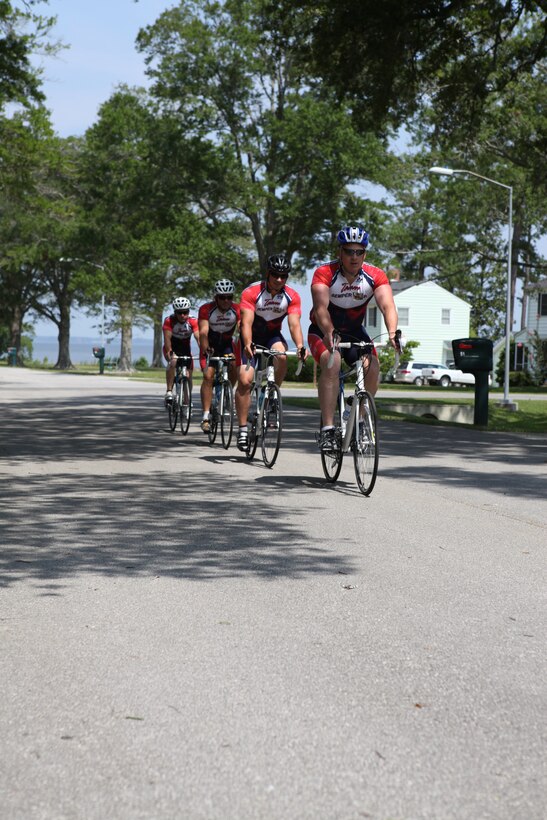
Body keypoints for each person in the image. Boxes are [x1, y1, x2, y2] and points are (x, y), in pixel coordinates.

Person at [308, 225, 399, 451]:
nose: (354, 257)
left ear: (365, 254)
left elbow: (387, 305)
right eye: (349, 251)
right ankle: (328, 430)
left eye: (359, 252)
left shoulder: (375, 275)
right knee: (333, 362)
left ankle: (356, 419)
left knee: (373, 366)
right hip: (323, 329)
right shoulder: (325, 273)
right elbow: (320, 309)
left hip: (354, 330)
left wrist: (392, 332)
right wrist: (329, 332)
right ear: (340, 252)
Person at [236, 253, 307, 451]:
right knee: (244, 379)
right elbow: (247, 322)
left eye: (283, 276)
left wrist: (300, 345)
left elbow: (294, 324)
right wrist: (248, 343)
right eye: (275, 274)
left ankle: (272, 397)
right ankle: (242, 429)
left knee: (281, 356)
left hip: (272, 336)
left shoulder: (292, 296)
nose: (279, 279)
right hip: (250, 337)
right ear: (268, 274)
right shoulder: (252, 292)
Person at [198, 279, 241, 433]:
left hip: (227, 343)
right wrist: (205, 348)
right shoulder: (206, 309)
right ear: (216, 297)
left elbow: (243, 327)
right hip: (210, 345)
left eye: (229, 297)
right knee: (208, 376)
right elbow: (203, 332)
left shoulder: (237, 309)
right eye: (222, 297)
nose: (226, 301)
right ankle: (206, 416)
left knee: (236, 364)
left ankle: (228, 392)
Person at [162, 296, 199, 404]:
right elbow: (167, 339)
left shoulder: (193, 321)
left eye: (185, 312)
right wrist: (170, 353)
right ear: (175, 312)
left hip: (185, 349)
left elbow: (198, 338)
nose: (183, 315)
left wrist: (204, 351)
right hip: (172, 347)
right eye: (180, 313)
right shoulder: (169, 321)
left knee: (188, 375)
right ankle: (169, 391)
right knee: (173, 361)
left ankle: (187, 401)